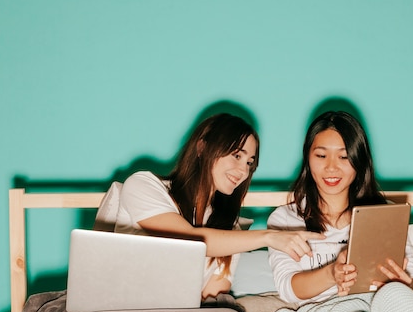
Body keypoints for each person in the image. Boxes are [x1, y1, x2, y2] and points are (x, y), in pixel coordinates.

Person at [115, 113, 322, 299]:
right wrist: (268, 236)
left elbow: (212, 299)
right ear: (202, 148)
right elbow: (189, 241)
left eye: (249, 163)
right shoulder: (143, 185)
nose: (243, 170)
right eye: (237, 156)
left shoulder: (228, 232)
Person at [268, 110, 413, 305]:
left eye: (343, 157)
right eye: (322, 155)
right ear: (308, 158)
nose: (331, 167)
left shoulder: (384, 214)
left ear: (359, 161)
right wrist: (332, 273)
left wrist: (404, 287)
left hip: (382, 309)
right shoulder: (286, 219)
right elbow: (287, 289)